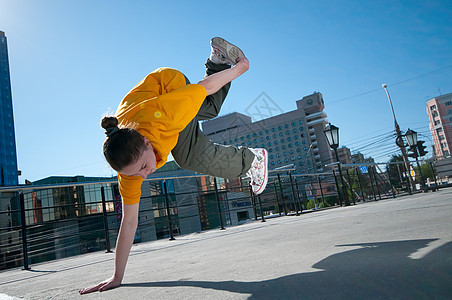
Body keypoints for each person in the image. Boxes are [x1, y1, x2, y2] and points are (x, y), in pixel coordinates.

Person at [79, 37, 268, 294]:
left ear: (146, 142)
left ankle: (253, 159)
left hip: (168, 86)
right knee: (201, 119)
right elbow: (129, 222)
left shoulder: (165, 115)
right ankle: (218, 59)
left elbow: (205, 87)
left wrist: (239, 69)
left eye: (145, 165)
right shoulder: (128, 167)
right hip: (146, 102)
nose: (145, 175)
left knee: (196, 135)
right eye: (138, 173)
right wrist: (117, 276)